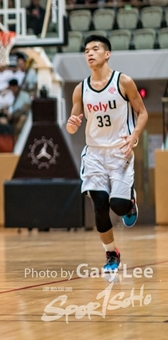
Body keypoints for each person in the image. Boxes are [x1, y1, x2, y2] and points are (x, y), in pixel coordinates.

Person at [66, 35, 147, 273]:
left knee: (118, 207)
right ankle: (111, 253)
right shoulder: (80, 89)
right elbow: (72, 126)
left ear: (107, 54)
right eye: (86, 51)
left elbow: (142, 113)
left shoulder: (124, 82)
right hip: (94, 154)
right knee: (100, 206)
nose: (90, 53)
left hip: (119, 151)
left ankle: (130, 203)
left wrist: (134, 136)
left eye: (95, 49)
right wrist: (71, 124)